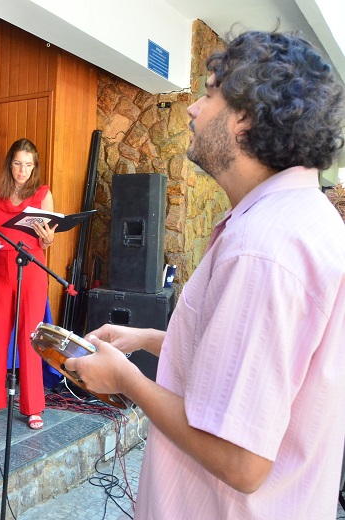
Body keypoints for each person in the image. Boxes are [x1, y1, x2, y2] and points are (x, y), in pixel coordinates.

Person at [65, 31, 345, 519]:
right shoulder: (301, 217)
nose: (192, 109)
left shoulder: (263, 250)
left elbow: (241, 460)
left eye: (210, 93)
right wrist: (151, 337)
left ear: (247, 117)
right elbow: (250, 362)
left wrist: (125, 379)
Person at [0, 138, 55, 430]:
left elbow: (48, 239)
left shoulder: (43, 194)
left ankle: (33, 406)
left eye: (29, 165)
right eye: (18, 163)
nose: (23, 170)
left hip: (30, 269)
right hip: (0, 268)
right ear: (10, 164)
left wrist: (48, 238)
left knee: (29, 338)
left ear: (35, 168)